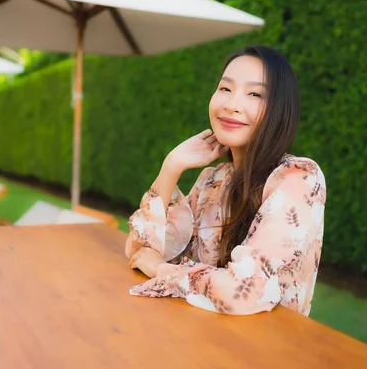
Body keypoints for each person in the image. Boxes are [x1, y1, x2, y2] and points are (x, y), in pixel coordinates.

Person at [124, 45, 327, 316]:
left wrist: (162, 270)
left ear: (279, 110)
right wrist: (171, 167)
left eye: (254, 94)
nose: (231, 105)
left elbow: (243, 293)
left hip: (265, 350)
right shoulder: (213, 180)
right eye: (225, 89)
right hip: (201, 338)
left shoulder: (297, 178)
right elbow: (140, 251)